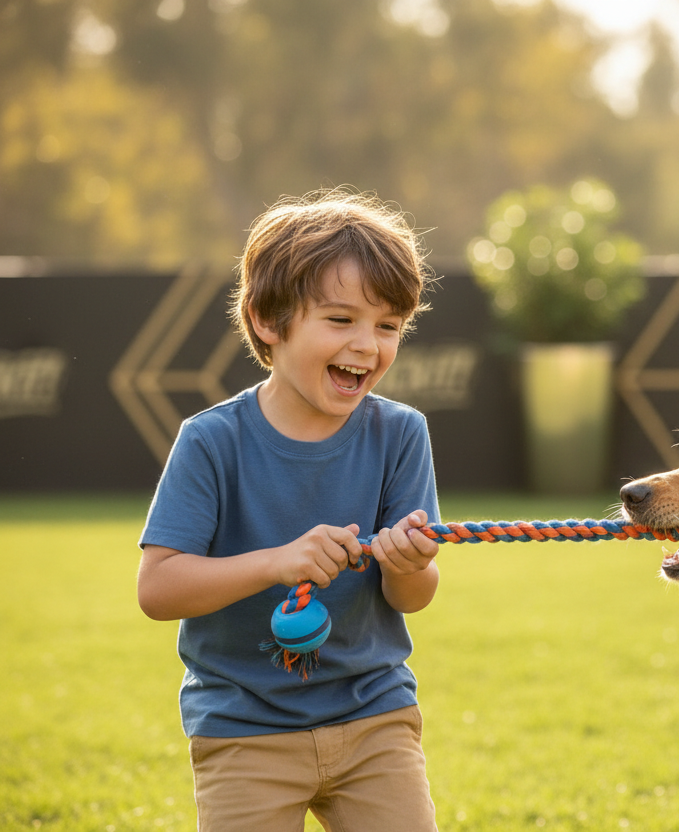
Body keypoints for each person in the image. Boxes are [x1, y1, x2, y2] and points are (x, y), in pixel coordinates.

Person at [136, 188, 441, 831]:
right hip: (243, 732)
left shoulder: (402, 433)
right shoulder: (211, 440)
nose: (368, 345)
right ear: (268, 322)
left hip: (374, 722)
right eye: (340, 320)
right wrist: (278, 562)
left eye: (388, 326)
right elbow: (159, 589)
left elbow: (412, 597)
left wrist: (410, 564)